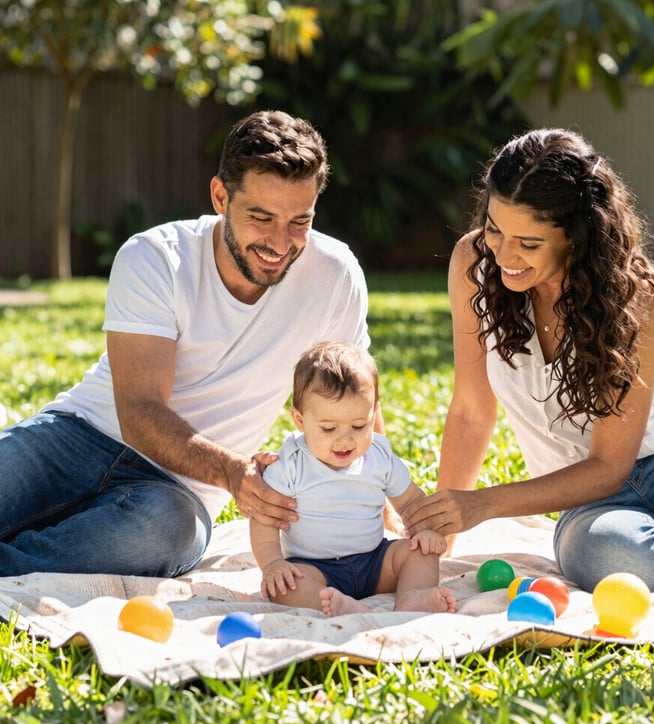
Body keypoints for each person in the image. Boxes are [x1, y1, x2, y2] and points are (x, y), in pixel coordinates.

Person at [0, 110, 374, 578]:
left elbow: (354, 399)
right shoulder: (155, 257)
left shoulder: (335, 277)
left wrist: (375, 494)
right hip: (76, 438)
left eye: (300, 220)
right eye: (261, 217)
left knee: (167, 533)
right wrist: (236, 473)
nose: (281, 243)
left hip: (177, 492)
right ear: (220, 196)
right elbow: (138, 411)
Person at [399, 128, 654, 596]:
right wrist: (447, 527)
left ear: (575, 236)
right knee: (607, 555)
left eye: (529, 244)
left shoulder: (632, 297)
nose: (505, 255)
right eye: (495, 229)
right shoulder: (473, 265)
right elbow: (472, 408)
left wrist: (484, 504)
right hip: (590, 501)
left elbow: (610, 464)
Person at [250, 342, 456, 617]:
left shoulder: (378, 455)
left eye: (360, 426)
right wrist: (273, 563)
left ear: (373, 413)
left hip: (375, 561)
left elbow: (410, 502)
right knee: (285, 587)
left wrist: (425, 530)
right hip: (314, 568)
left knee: (421, 553)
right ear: (299, 420)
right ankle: (340, 606)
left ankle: (412, 598)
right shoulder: (290, 463)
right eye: (328, 428)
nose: (345, 439)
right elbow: (264, 518)